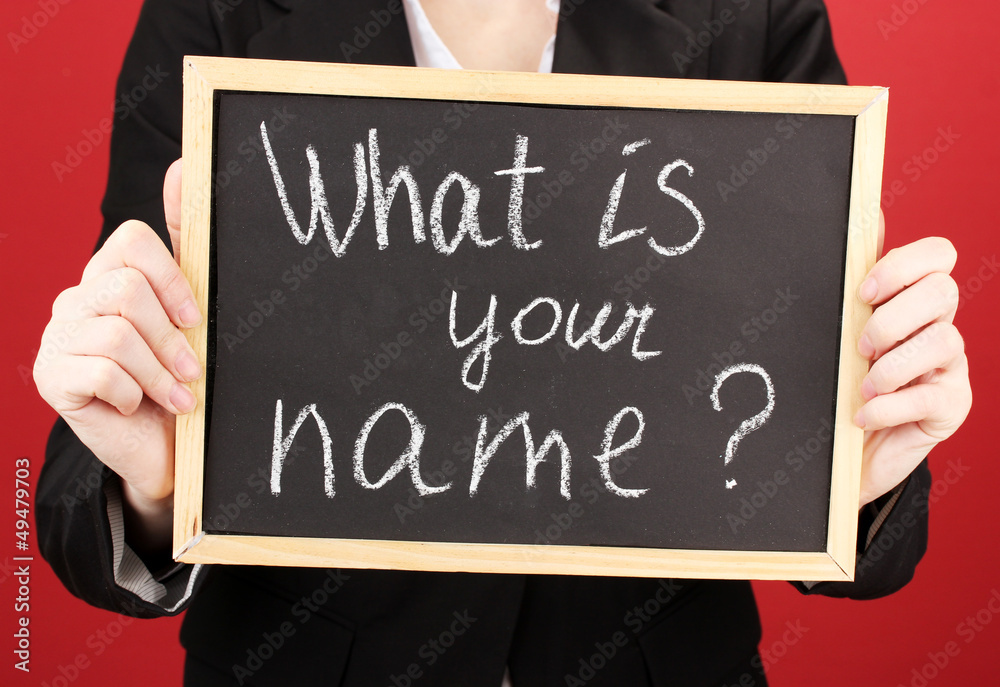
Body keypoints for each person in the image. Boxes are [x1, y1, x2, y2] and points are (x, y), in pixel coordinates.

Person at [34, 1, 971, 685]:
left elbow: (808, 411)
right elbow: (93, 466)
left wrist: (855, 470)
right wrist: (158, 486)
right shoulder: (217, 12)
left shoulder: (748, 13)